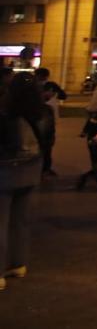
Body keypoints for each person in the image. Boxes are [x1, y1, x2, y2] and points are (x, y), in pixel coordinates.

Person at [0, 73, 54, 290]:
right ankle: (18, 262)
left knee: (1, 222)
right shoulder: (44, 113)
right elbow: (49, 141)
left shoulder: (5, 115)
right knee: (21, 220)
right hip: (32, 169)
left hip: (5, 171)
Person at [33, 68, 64, 178]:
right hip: (44, 116)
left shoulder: (31, 85)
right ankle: (44, 168)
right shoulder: (50, 85)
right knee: (46, 144)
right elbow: (63, 95)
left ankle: (42, 168)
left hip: (40, 117)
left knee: (43, 144)